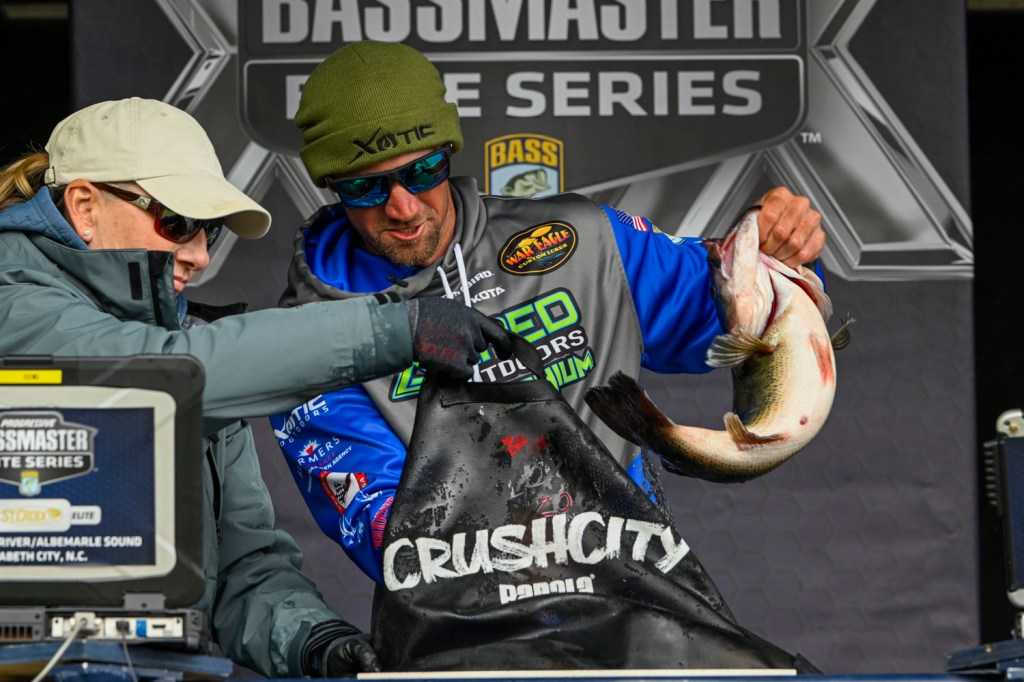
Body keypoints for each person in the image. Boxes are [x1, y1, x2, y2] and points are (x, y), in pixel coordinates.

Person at [270, 41, 826, 585]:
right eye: (367, 187)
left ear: (447, 152)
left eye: (423, 171)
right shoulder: (306, 341)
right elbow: (396, 540)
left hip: (639, 599)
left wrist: (778, 247)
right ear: (331, 186)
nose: (403, 206)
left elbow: (737, 319)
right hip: (467, 623)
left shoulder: (585, 239)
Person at [0, 97, 517, 678]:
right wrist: (392, 329)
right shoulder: (13, 301)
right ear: (84, 206)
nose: (199, 254)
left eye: (209, 230)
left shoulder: (189, 353)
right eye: (177, 223)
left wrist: (319, 644)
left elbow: (243, 566)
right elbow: (159, 379)